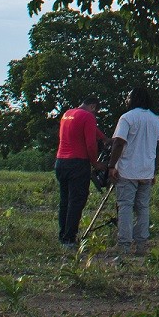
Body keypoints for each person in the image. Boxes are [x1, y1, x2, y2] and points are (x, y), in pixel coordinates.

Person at [104, 87, 159, 257]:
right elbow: (158, 148)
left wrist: (111, 166)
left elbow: (119, 143)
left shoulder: (127, 118)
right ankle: (141, 245)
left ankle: (124, 245)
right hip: (146, 171)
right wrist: (153, 171)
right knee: (143, 208)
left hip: (128, 170)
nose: (127, 100)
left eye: (129, 97)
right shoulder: (155, 120)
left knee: (125, 207)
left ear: (134, 99)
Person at [54, 97, 102, 247]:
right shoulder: (88, 116)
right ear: (93, 107)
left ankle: (63, 236)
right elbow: (90, 144)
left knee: (65, 201)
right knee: (76, 201)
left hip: (61, 161)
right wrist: (96, 163)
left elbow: (90, 129)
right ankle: (70, 238)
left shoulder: (68, 113)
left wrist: (104, 138)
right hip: (78, 163)